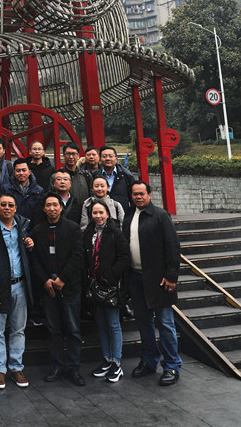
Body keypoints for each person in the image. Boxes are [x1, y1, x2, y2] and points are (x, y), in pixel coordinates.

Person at [123, 181, 182, 386]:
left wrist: (171, 275)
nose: (138, 197)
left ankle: (172, 365)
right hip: (135, 278)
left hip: (159, 279)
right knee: (144, 323)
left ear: (149, 195)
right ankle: (148, 361)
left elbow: (173, 246)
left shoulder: (160, 216)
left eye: (142, 193)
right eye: (135, 194)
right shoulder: (129, 215)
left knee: (165, 323)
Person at [0, 192, 33, 390]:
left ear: (16, 208)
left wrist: (30, 244)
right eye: (3, 204)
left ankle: (16, 367)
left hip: (20, 285)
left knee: (18, 329)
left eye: (11, 205)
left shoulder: (22, 227)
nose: (7, 208)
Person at [31, 193, 85, 386]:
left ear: (61, 207)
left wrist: (63, 279)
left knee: (73, 329)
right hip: (48, 289)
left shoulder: (73, 228)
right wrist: (45, 280)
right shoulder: (37, 230)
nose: (52, 208)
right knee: (54, 330)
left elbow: (77, 256)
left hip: (69, 287)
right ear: (44, 208)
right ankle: (56, 365)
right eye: (48, 205)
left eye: (55, 205)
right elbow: (34, 259)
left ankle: (73, 367)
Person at [83, 200, 129, 383]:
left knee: (113, 325)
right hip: (95, 286)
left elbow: (124, 257)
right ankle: (107, 359)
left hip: (111, 287)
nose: (98, 216)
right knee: (101, 324)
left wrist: (110, 274)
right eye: (94, 213)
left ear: (108, 214)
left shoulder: (115, 232)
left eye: (101, 212)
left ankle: (117, 363)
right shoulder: (88, 232)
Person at [1, 158, 44, 222]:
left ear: (29, 172)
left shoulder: (39, 191)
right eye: (18, 171)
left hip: (32, 226)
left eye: (24, 170)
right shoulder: (6, 189)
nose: (21, 173)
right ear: (14, 172)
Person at [99, 146, 135, 213]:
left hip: (122, 214)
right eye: (104, 156)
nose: (108, 159)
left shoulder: (126, 176)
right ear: (100, 159)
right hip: (100, 215)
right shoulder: (95, 176)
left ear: (116, 159)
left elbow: (133, 199)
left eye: (110, 156)